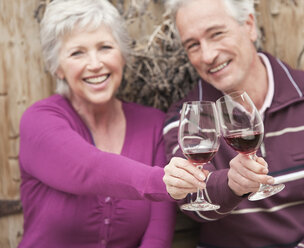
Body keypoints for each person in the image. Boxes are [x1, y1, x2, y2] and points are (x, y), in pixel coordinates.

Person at [162, 0, 304, 247]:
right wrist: (231, 184)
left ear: (249, 25)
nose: (207, 55)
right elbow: (193, 205)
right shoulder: (185, 119)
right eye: (193, 45)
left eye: (216, 34)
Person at [18, 0, 205, 247]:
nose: (95, 64)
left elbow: (157, 233)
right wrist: (165, 181)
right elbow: (86, 169)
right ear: (58, 68)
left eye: (105, 47)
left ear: (122, 55)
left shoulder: (153, 125)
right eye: (77, 52)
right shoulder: (39, 121)